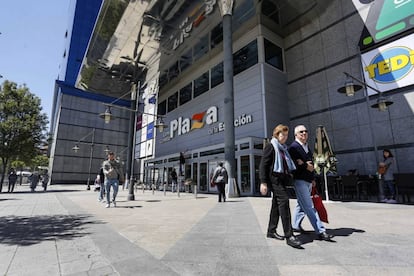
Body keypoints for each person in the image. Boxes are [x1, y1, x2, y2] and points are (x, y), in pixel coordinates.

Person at [259, 124, 302, 249]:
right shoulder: (271, 146)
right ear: (277, 135)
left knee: (276, 205)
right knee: (284, 201)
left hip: (282, 179)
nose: (285, 137)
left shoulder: (284, 148)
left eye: (286, 135)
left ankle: (271, 231)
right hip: (274, 180)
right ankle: (289, 236)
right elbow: (263, 165)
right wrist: (263, 182)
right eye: (282, 134)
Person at [288, 125, 333, 241]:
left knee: (301, 205)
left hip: (308, 180)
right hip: (299, 180)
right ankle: (321, 231)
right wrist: (304, 165)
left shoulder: (306, 146)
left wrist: (312, 178)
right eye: (301, 132)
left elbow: (310, 165)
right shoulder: (293, 147)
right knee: (309, 206)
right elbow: (294, 164)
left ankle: (295, 226)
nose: (304, 133)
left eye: (306, 131)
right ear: (296, 134)